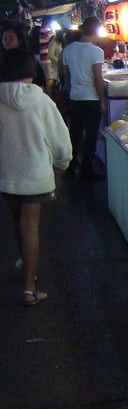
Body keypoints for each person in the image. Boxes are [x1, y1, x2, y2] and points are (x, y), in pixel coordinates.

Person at [0, 49, 73, 306]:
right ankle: (30, 289)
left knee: (17, 221)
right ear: (31, 71)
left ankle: (26, 266)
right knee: (30, 225)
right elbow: (60, 139)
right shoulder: (41, 101)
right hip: (34, 174)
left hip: (6, 173)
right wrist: (62, 163)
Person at [60, 16, 105, 180]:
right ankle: (87, 170)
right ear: (96, 31)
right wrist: (102, 100)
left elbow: (66, 76)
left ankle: (70, 168)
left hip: (75, 98)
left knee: (75, 134)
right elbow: (98, 79)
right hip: (91, 98)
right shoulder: (96, 51)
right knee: (91, 136)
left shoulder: (68, 50)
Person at [2, 24, 46, 90]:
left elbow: (39, 80)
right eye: (5, 38)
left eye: (11, 38)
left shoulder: (27, 59)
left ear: (19, 41)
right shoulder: (2, 58)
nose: (7, 41)